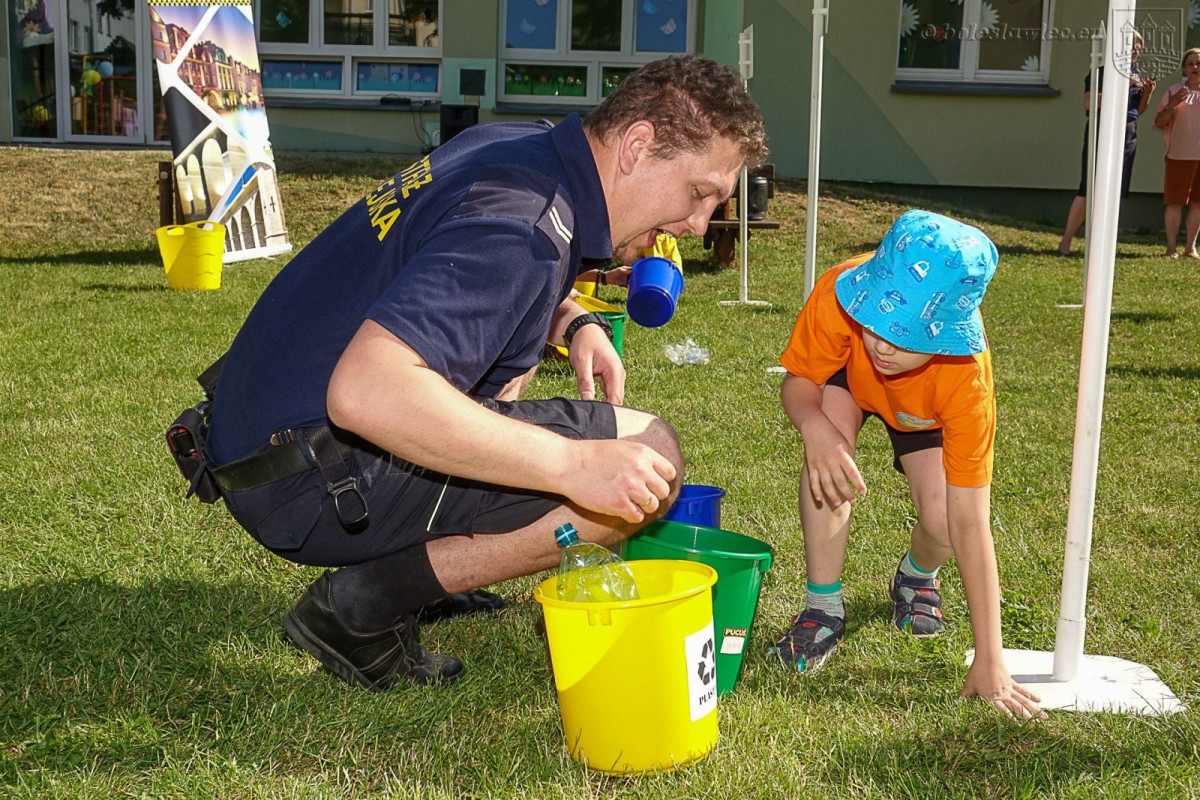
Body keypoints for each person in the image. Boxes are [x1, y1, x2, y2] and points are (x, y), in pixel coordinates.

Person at [200, 54, 768, 691]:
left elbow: (454, 263)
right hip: (306, 478)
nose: (696, 226)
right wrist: (572, 465)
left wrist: (572, 318)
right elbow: (365, 390)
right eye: (699, 194)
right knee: (648, 456)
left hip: (257, 437)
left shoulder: (522, 147)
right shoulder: (525, 225)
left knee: (505, 372)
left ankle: (430, 562)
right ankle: (360, 606)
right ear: (637, 144)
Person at [770, 210, 1045, 721]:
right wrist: (817, 430)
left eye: (906, 334)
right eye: (875, 319)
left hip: (925, 412)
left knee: (942, 520)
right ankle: (822, 608)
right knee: (826, 468)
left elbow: (970, 521)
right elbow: (800, 382)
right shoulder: (837, 293)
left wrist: (991, 658)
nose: (883, 343)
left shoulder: (967, 382)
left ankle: (916, 577)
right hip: (847, 383)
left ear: (945, 334)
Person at [1058, 32, 1155, 256]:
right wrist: (1118, 85)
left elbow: (1137, 111)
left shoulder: (1137, 74)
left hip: (1128, 130)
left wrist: (1147, 93)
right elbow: (1089, 103)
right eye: (1129, 45)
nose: (1134, 50)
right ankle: (1066, 241)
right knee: (1088, 186)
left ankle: (1101, 245)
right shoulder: (1101, 72)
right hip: (1102, 128)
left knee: (1115, 189)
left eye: (1137, 46)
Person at [1154, 47, 1200, 259]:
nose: (1195, 67)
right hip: (1179, 156)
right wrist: (1171, 106)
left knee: (1198, 203)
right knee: (1175, 202)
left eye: (1198, 63)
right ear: (1184, 68)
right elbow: (1159, 122)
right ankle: (1171, 248)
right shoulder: (1174, 91)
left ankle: (1190, 247)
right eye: (1190, 63)